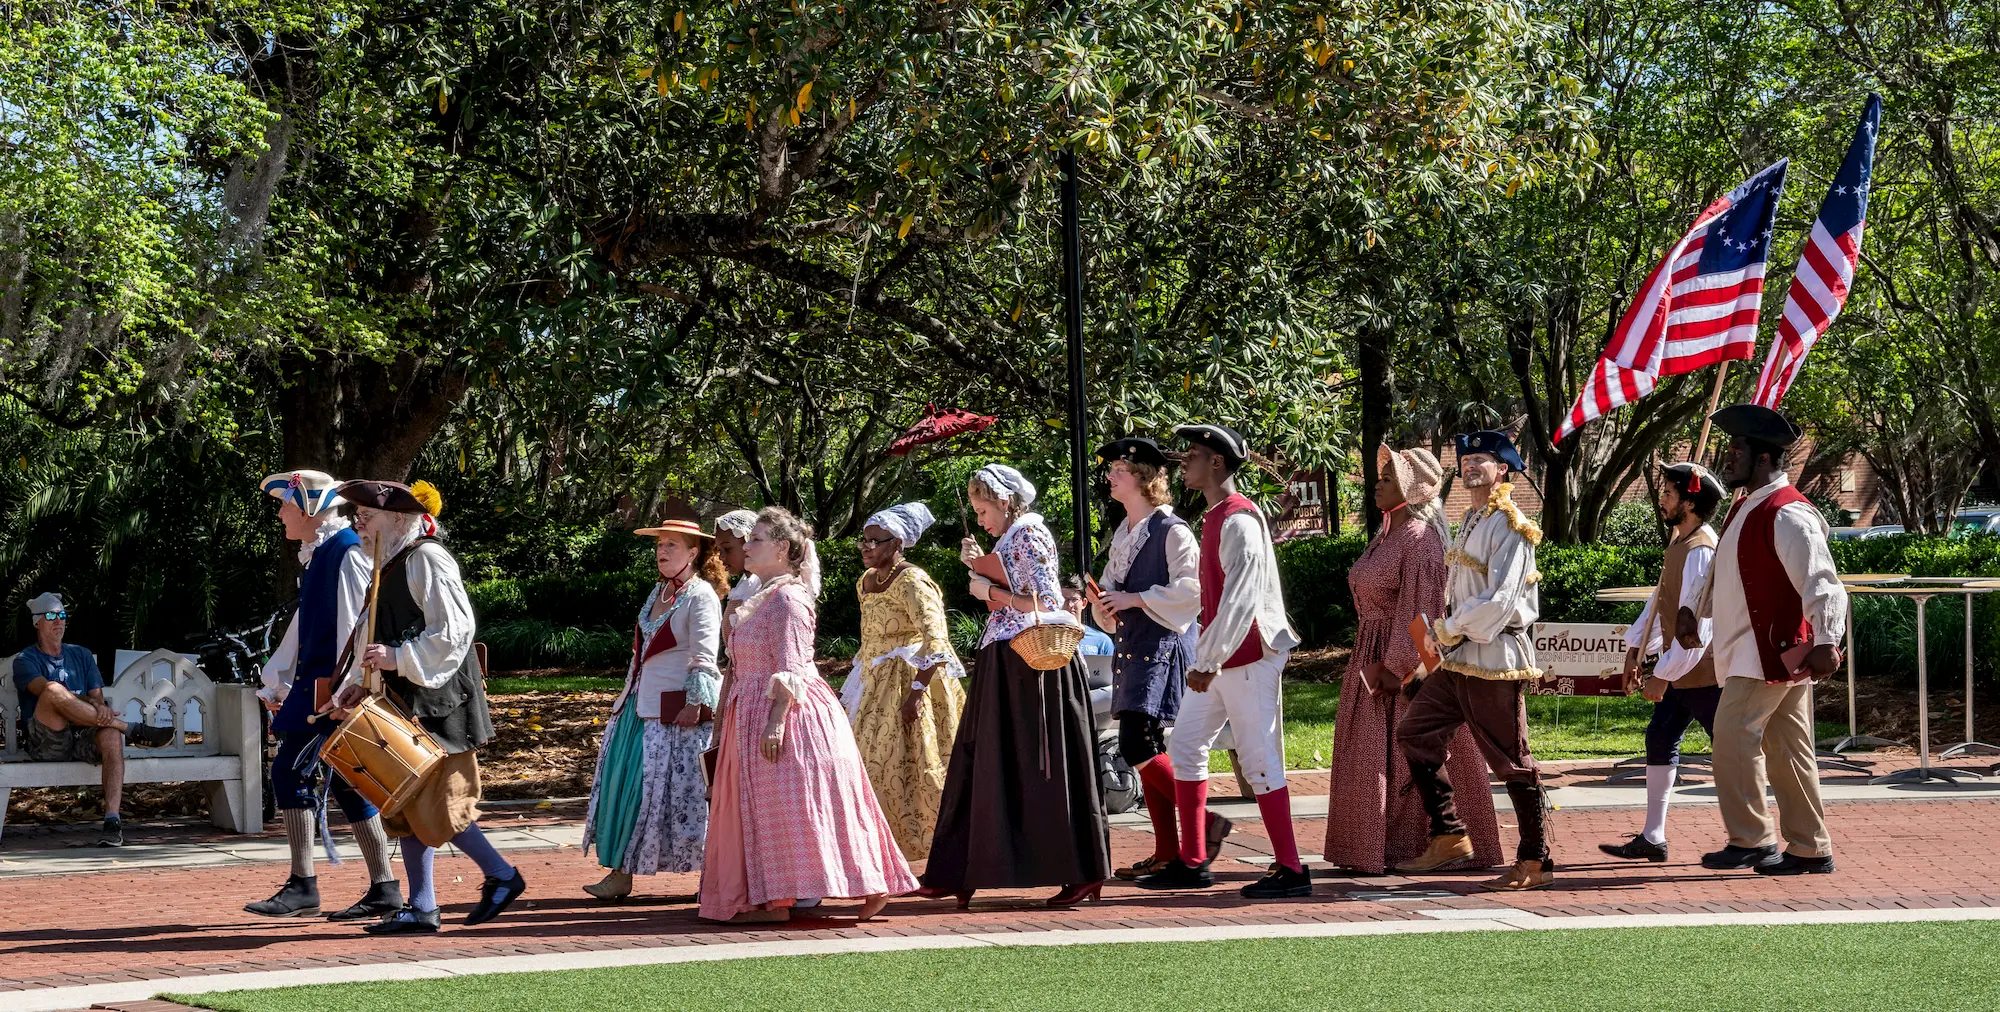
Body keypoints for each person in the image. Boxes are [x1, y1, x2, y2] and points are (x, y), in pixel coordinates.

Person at [699, 508, 917, 923]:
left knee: (798, 806)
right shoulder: (762, 594)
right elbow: (739, 666)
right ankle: (770, 898)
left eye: (757, 539)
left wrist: (776, 721)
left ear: (782, 548)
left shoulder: (789, 598)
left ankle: (854, 887)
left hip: (787, 712)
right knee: (769, 809)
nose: (746, 545)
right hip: (751, 708)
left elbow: (792, 665)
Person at [328, 480, 525, 934]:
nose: (357, 521)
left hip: (440, 703)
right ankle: (422, 907)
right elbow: (371, 635)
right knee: (406, 804)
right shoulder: (389, 563)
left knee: (441, 805)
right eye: (357, 513)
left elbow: (455, 630)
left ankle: (501, 876)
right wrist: (360, 682)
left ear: (398, 518)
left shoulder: (427, 558)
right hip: (403, 699)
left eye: (367, 515)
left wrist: (398, 658)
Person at [919, 464, 1111, 908]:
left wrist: (988, 592)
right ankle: (960, 869)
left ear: (1005, 501)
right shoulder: (1009, 539)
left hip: (1034, 663)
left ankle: (1080, 870)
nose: (981, 519)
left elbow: (1046, 602)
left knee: (1040, 766)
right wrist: (979, 568)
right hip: (1005, 660)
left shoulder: (1029, 533)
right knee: (985, 760)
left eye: (984, 509)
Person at [1138, 424, 1309, 899]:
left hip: (1248, 656)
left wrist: (1207, 659)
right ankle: (1193, 860)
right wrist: (1209, 658)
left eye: (1193, 455)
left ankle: (1292, 869)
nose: (1184, 463)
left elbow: (1240, 601)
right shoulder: (1217, 517)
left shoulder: (1237, 520)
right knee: (1187, 744)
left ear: (1217, 463)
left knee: (1260, 760)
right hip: (1224, 656)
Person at [1324, 446, 1503, 876]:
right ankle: (1372, 844)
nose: (1376, 483)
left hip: (1402, 659)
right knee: (1371, 750)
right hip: (1370, 649)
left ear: (1409, 488)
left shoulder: (1421, 541)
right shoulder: (1387, 534)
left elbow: (1422, 612)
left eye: (1387, 478)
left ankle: (1428, 840)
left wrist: (1397, 669)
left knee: (1405, 749)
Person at [1686, 405, 1846, 875]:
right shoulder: (1747, 506)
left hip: (1768, 655)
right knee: (1789, 750)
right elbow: (1729, 573)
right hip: (1756, 652)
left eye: (1736, 449)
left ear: (1762, 459)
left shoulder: (1788, 512)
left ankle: (1753, 839)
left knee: (1732, 736)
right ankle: (1810, 847)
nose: (1728, 457)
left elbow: (1822, 582)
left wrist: (1827, 638)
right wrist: (1692, 611)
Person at [1400, 430, 1555, 891]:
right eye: (1465, 459)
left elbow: (1500, 600)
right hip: (1461, 654)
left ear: (1503, 469)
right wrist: (1446, 633)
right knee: (1415, 731)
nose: (1470, 466)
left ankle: (1536, 859)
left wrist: (1447, 628)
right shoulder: (1471, 516)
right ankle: (1448, 834)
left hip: (1495, 656)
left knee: (1511, 760)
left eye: (1481, 459)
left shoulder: (1510, 522)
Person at [246, 471, 404, 920]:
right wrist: (277, 680)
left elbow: (356, 627)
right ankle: (383, 888)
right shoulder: (321, 555)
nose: (280, 515)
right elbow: (305, 627)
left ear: (307, 508)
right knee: (353, 781)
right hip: (320, 691)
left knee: (289, 773)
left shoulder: (345, 554)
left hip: (331, 695)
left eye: (285, 505)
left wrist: (346, 693)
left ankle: (304, 885)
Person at [1087, 436, 1230, 881]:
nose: (1109, 476)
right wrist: (1105, 605)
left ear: (1144, 477)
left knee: (1136, 744)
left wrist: (1132, 598)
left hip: (1163, 651)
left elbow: (1192, 593)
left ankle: (1203, 827)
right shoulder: (1124, 532)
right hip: (1134, 652)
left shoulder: (1173, 531)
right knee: (1145, 746)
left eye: (1118, 470)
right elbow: (1115, 597)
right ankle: (1168, 849)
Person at [579, 503, 726, 900]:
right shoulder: (658, 591)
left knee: (681, 796)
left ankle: (712, 876)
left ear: (693, 552)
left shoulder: (701, 597)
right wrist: (624, 696)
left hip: (675, 713)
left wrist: (695, 704)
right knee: (623, 788)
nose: (662, 551)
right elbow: (640, 653)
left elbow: (704, 655)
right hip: (638, 708)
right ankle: (621, 872)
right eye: (660, 545)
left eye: (672, 545)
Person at [1600, 462, 1724, 863]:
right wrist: (1636, 648)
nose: (1662, 499)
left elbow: (1697, 632)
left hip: (1705, 674)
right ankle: (1653, 837)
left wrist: (1660, 675)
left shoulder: (1702, 549)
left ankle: (1757, 837)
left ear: (1690, 501)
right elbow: (1661, 604)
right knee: (1659, 739)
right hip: (1680, 671)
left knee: (1734, 753)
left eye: (1669, 493)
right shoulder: (1679, 543)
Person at [844, 502, 966, 860]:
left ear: (897, 543)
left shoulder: (913, 580)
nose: (866, 547)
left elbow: (936, 638)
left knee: (920, 766)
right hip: (872, 681)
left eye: (875, 541)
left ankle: (933, 846)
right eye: (863, 540)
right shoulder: (865, 582)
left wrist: (917, 691)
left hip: (912, 682)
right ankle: (876, 849)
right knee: (868, 763)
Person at [11, 593, 173, 847]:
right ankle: (130, 729)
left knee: (109, 734)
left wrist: (97, 707)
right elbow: (45, 692)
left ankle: (112, 822)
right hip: (48, 741)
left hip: (84, 733)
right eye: (50, 616)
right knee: (53, 691)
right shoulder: (25, 660)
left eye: (62, 615)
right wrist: (92, 706)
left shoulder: (82, 655)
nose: (58, 621)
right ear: (36, 623)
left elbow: (97, 701)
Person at [712, 509, 762, 632]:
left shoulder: (767, 588)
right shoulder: (743, 586)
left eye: (727, 549)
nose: (721, 557)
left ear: (748, 542)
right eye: (719, 550)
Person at [1063, 582, 1115, 656]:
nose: (1070, 605)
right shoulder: (1047, 638)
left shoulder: (1102, 641)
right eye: (1064, 600)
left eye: (1074, 600)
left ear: (1084, 603)